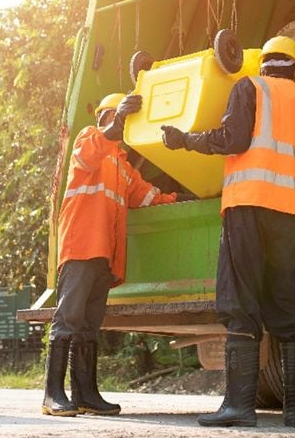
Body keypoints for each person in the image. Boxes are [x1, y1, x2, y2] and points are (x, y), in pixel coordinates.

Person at [160, 36, 295, 428]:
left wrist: (185, 140)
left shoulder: (250, 87)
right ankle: (294, 410)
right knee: (289, 305)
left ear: (264, 65)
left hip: (248, 206)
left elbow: (232, 140)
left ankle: (240, 406)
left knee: (240, 301)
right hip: (292, 215)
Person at [42, 92, 193, 417]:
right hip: (81, 246)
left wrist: (186, 197)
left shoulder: (123, 167)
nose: (121, 127)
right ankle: (52, 395)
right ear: (108, 117)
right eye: (118, 118)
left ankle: (85, 395)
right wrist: (115, 124)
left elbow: (150, 196)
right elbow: (89, 153)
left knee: (88, 324)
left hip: (102, 256)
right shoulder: (89, 140)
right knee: (68, 319)